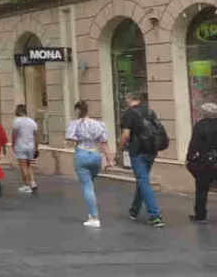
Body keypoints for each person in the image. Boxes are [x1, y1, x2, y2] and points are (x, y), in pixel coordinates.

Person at [65, 100, 112, 228]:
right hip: (96, 155)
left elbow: (69, 139)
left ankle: (94, 217)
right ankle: (92, 210)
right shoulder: (98, 124)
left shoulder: (75, 124)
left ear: (77, 111)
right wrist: (109, 160)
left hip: (82, 154)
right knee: (90, 184)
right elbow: (104, 143)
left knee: (87, 186)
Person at [120, 92, 164, 227]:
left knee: (143, 181)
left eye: (127, 98)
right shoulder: (150, 112)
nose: (126, 101)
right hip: (151, 150)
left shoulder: (129, 113)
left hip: (137, 151)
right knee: (142, 180)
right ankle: (134, 210)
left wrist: (120, 148)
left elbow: (126, 135)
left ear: (135, 100)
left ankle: (155, 215)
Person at [185, 102, 217, 223]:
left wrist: (189, 158)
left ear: (205, 113)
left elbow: (194, 145)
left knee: (202, 189)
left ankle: (201, 215)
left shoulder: (201, 125)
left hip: (205, 161)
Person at [10, 105, 39, 194]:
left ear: (19, 111)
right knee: (29, 165)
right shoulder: (32, 122)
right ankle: (33, 182)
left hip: (20, 145)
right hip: (31, 146)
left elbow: (14, 134)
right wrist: (36, 147)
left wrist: (13, 144)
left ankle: (27, 185)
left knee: (23, 166)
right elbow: (35, 136)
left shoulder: (17, 121)